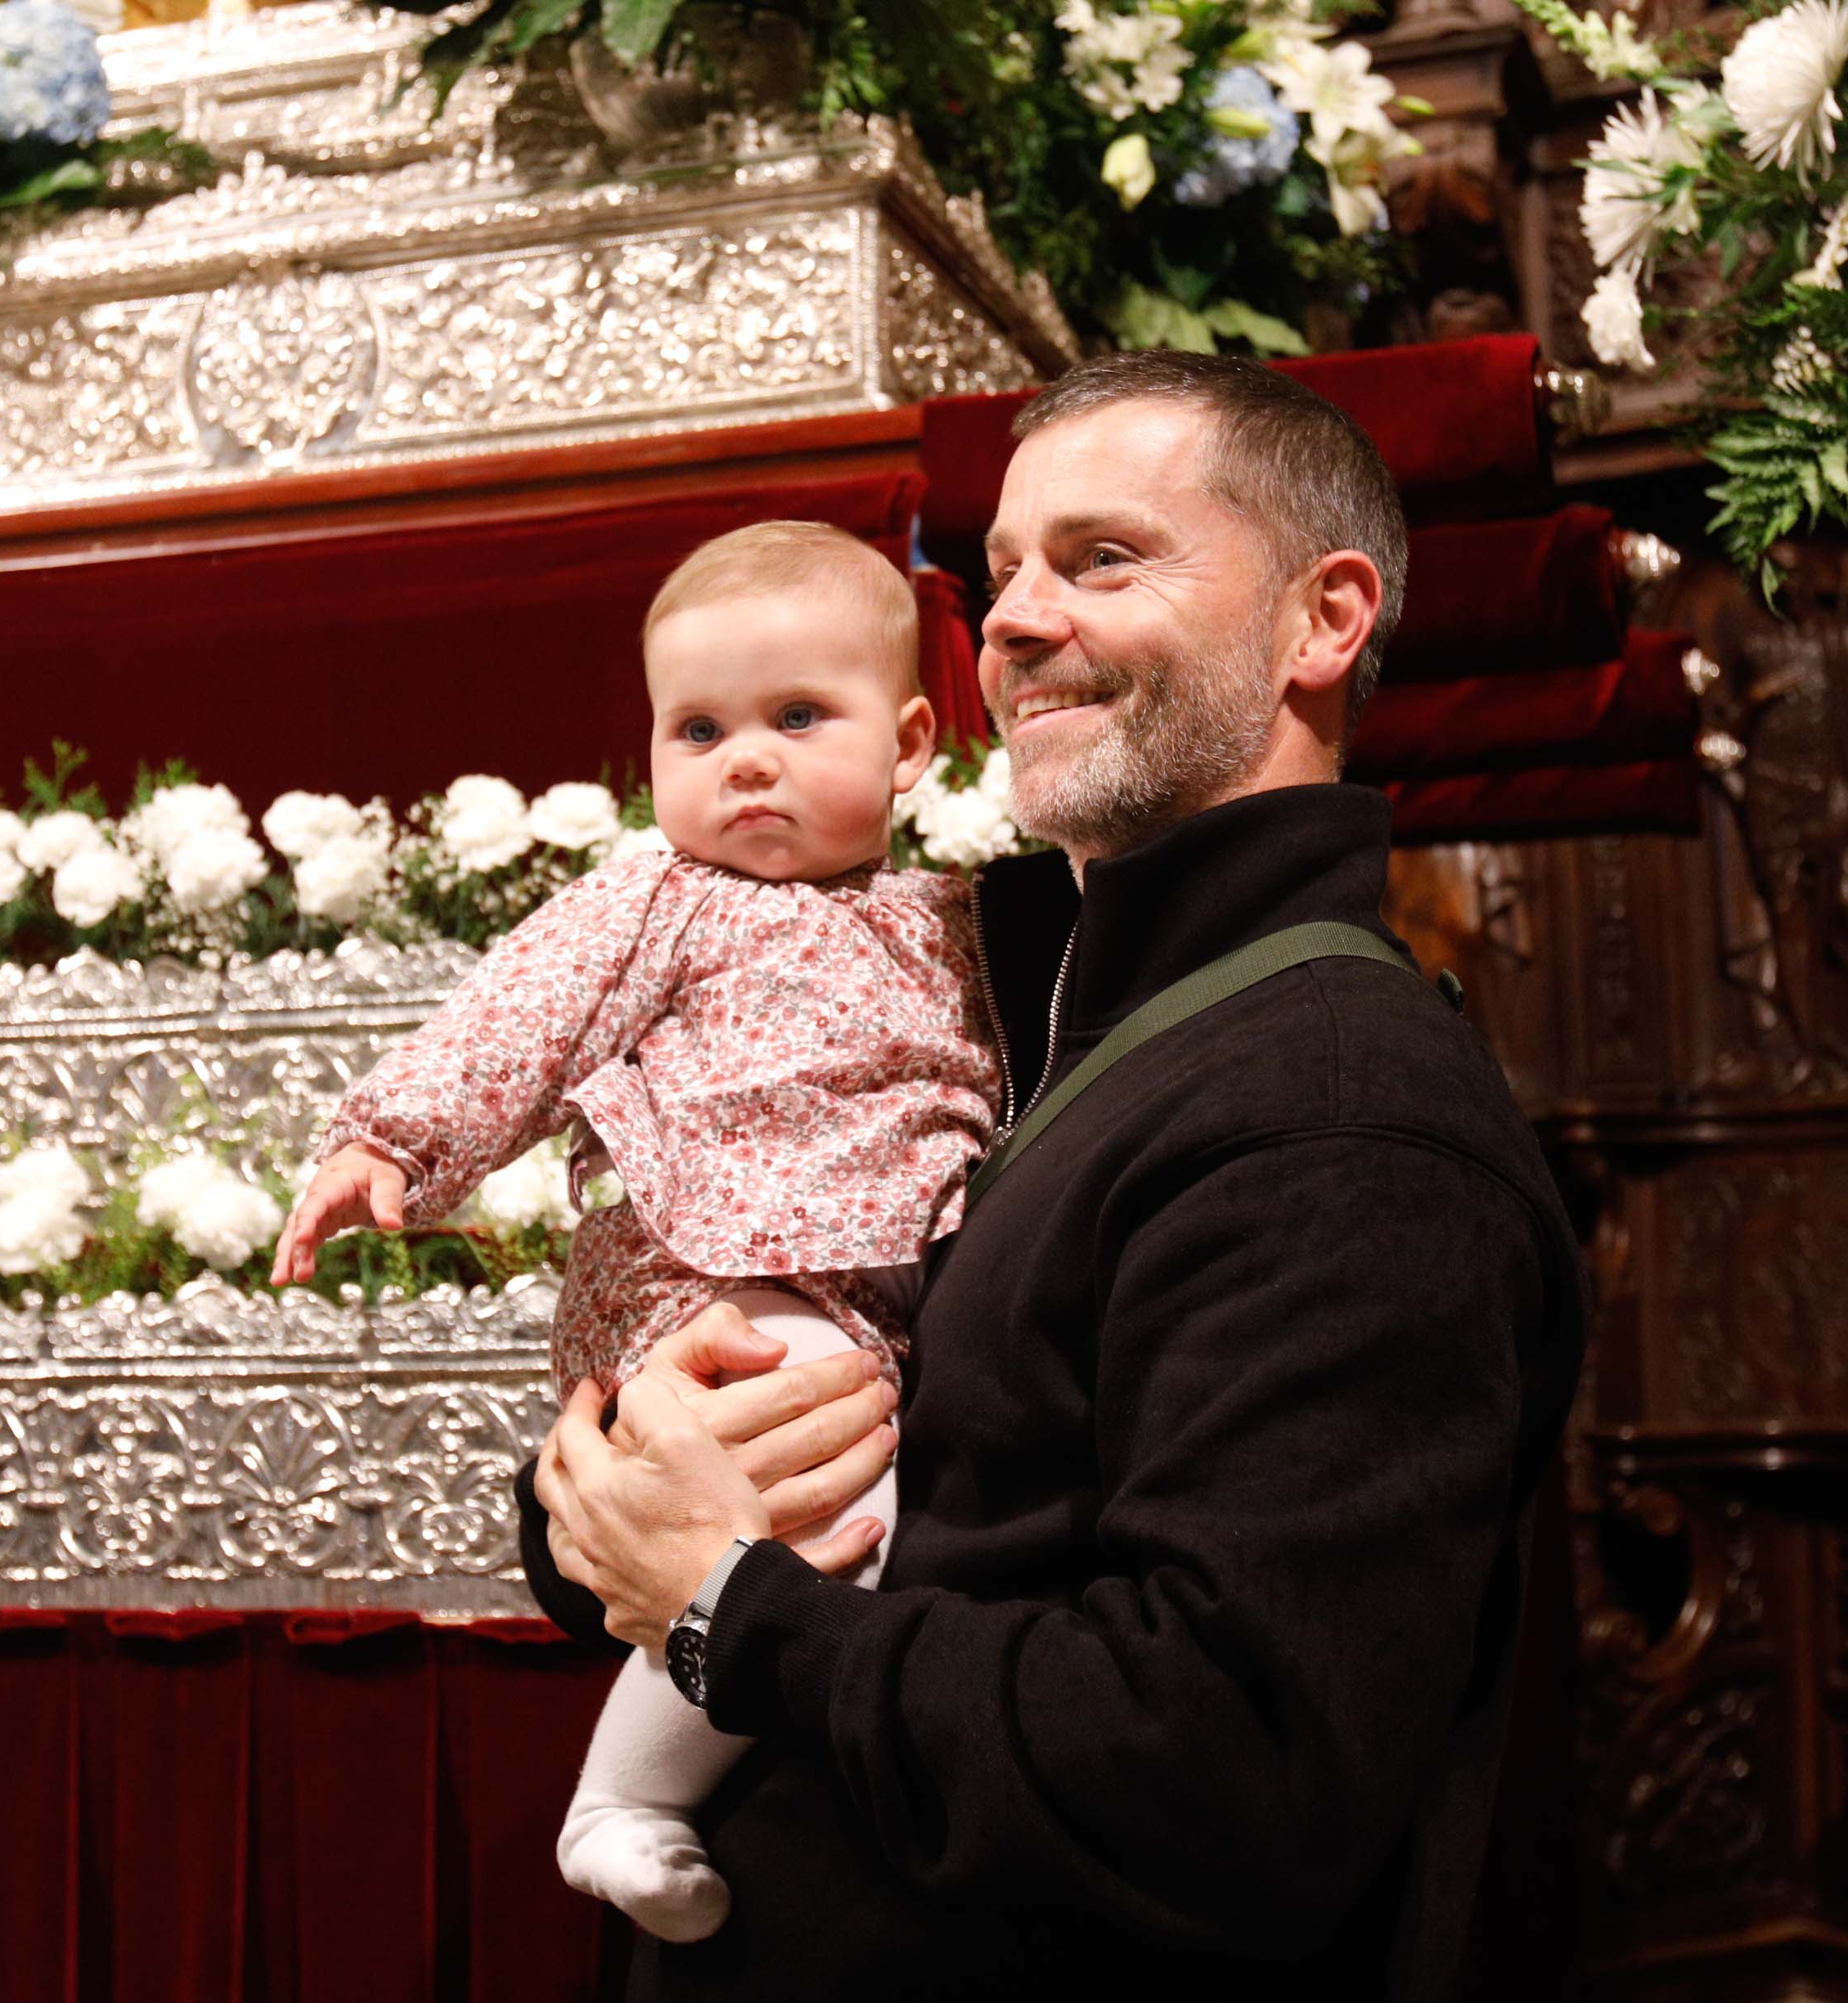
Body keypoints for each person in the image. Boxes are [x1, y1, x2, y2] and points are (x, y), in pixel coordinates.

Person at [521, 350, 1591, 2001]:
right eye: (1000, 570)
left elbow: (1227, 1769)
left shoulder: (1332, 1112)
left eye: (1102, 558)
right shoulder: (1004, 1007)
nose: (1012, 618)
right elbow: (944, 1499)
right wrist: (617, 1487)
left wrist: (732, 1609)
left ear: (1324, 619)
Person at [269, 521, 1000, 1943]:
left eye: (799, 717)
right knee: (844, 1523)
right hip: (704, 1274)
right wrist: (391, 1143)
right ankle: (622, 1798)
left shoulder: (951, 921)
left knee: (864, 1524)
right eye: (699, 727)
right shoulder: (665, 897)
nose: (746, 759)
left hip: (873, 1298)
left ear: (911, 743)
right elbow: (516, 1019)